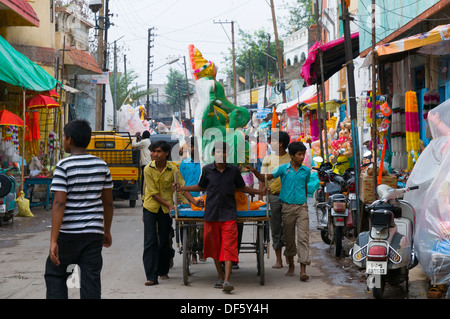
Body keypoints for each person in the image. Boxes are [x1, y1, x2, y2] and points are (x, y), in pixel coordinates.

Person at [175, 141, 266, 293]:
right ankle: (220, 274)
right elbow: (201, 187)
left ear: (227, 154)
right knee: (215, 248)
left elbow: (242, 187)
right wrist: (182, 188)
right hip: (211, 215)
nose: (221, 154)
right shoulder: (207, 170)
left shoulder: (234, 171)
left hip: (229, 214)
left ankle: (227, 280)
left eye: (224, 152)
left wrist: (260, 192)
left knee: (229, 247)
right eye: (218, 152)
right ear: (213, 154)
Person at [44, 120, 114, 299]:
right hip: (93, 234)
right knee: (90, 280)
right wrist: (106, 231)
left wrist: (53, 240)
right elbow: (108, 203)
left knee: (55, 274)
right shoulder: (102, 165)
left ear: (70, 140)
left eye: (64, 137)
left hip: (68, 234)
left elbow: (59, 203)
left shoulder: (63, 166)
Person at [247, 141, 311, 281]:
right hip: (287, 207)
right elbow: (265, 178)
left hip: (302, 207)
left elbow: (304, 187)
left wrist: (304, 202)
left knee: (303, 238)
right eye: (299, 155)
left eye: (303, 154)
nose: (302, 157)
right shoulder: (283, 169)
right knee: (289, 239)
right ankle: (291, 265)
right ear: (292, 156)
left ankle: (303, 270)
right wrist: (256, 172)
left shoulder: (306, 171)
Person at [143, 140, 201, 286]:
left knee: (164, 241)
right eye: (153, 151)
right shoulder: (148, 169)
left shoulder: (173, 169)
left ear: (166, 153)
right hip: (151, 208)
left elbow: (182, 188)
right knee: (150, 242)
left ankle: (162, 270)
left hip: (166, 211)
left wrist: (194, 203)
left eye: (158, 151)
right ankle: (151, 276)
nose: (155, 154)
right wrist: (170, 205)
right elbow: (153, 193)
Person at [259, 130, 291, 268]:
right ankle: (279, 259)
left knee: (289, 228)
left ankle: (289, 255)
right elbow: (262, 179)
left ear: (281, 143)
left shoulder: (291, 158)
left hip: (290, 198)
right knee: (276, 228)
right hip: (273, 197)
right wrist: (260, 198)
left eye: (273, 141)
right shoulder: (267, 159)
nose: (270, 143)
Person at [179, 136, 204, 263]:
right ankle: (193, 252)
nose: (194, 149)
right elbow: (180, 183)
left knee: (202, 227)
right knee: (190, 228)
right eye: (192, 146)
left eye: (197, 146)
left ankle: (200, 249)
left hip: (202, 199)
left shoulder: (205, 164)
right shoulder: (184, 164)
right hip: (186, 200)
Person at [132, 130, 151, 195]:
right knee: (146, 180)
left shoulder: (144, 142)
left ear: (143, 136)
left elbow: (134, 145)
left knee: (143, 180)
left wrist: (135, 137)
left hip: (145, 163)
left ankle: (143, 194)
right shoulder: (147, 141)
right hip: (148, 162)